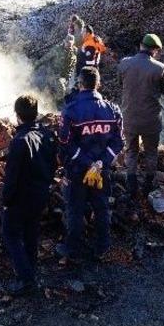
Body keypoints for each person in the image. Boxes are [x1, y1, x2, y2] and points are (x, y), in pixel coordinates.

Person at [57, 67, 123, 259]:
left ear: (80, 84)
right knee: (101, 206)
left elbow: (64, 142)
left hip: (78, 169)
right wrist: (100, 163)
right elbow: (119, 141)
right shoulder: (112, 109)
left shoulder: (70, 110)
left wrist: (88, 163)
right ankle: (103, 246)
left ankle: (72, 248)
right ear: (98, 84)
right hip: (101, 170)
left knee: (75, 208)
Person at [0, 94, 57, 296]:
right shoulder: (47, 134)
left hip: (21, 198)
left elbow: (11, 177)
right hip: (40, 194)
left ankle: (26, 278)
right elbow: (53, 165)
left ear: (18, 116)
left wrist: (6, 200)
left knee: (10, 234)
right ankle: (31, 267)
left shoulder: (20, 141)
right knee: (31, 232)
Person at [118, 33, 164, 197]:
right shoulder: (160, 68)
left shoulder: (124, 63)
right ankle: (149, 184)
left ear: (141, 45)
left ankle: (131, 185)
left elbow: (122, 83)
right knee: (151, 152)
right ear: (154, 50)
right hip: (151, 120)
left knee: (131, 151)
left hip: (129, 117)